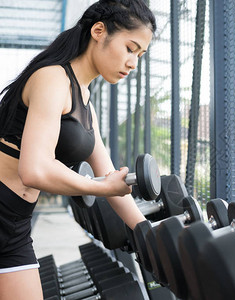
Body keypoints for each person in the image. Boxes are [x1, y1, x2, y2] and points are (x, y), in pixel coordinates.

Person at [0, 0, 156, 299]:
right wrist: (99, 188)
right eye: (129, 48)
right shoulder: (52, 78)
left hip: (16, 222)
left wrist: (150, 233)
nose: (134, 63)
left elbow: (110, 176)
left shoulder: (84, 102)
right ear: (99, 31)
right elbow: (34, 170)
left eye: (140, 55)